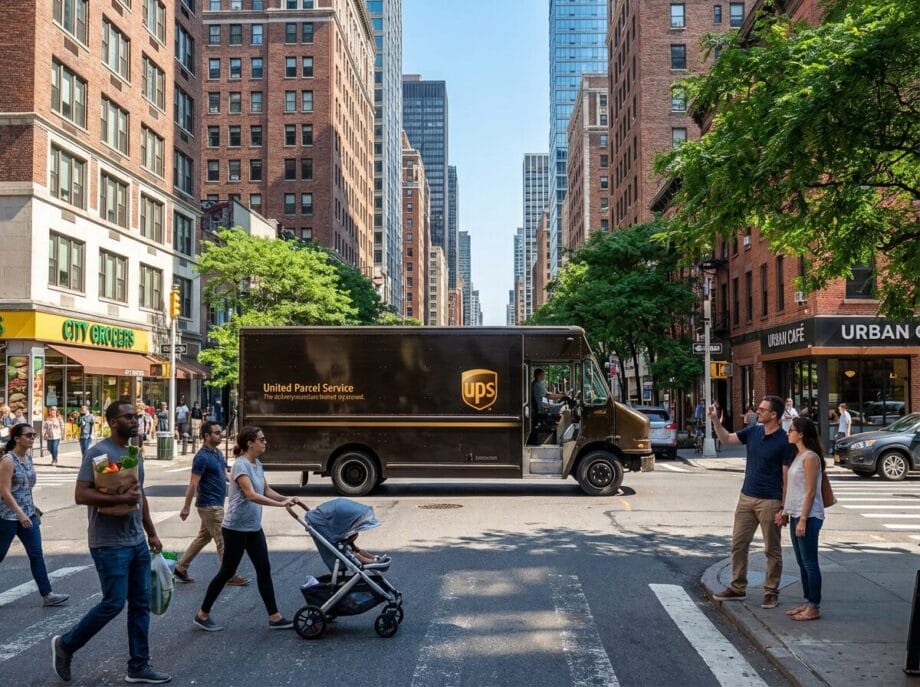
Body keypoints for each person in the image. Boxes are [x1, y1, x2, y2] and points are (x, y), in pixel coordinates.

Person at [52, 400, 171, 684]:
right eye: (128, 417)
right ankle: (66, 645)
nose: (135, 420)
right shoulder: (99, 454)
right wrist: (120, 499)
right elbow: (81, 495)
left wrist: (151, 532)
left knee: (140, 604)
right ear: (112, 422)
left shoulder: (134, 453)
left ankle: (138, 665)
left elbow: (140, 497)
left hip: (137, 542)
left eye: (136, 416)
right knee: (113, 603)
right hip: (108, 543)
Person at [193, 426, 305, 632]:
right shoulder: (241, 466)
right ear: (249, 443)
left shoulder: (257, 464)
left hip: (253, 527)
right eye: (261, 439)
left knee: (264, 569)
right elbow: (251, 494)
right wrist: (281, 505)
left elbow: (266, 490)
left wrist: (287, 498)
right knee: (227, 571)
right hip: (235, 528)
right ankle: (202, 614)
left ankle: (275, 616)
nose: (265, 442)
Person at [710, 395, 796, 609]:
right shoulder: (753, 432)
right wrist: (715, 421)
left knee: (772, 549)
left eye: (762, 409)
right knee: (738, 544)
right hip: (746, 497)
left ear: (773, 414)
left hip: (770, 501)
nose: (758, 411)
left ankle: (771, 591)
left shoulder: (785, 441)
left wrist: (784, 508)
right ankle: (737, 587)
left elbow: (787, 478)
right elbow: (726, 439)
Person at [0, 423, 70, 607]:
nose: (33, 438)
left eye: (34, 435)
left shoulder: (27, 458)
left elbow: (26, 488)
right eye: (29, 435)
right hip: (8, 516)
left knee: (36, 554)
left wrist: (30, 510)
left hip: (29, 514)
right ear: (17, 438)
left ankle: (48, 595)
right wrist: (19, 513)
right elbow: (5, 492)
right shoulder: (8, 460)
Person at [174, 421, 249, 587]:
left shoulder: (218, 454)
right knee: (224, 541)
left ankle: (181, 567)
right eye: (216, 433)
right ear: (206, 436)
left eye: (219, 432)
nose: (219, 435)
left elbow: (225, 475)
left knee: (203, 538)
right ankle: (229, 575)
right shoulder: (201, 457)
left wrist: (242, 485)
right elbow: (193, 484)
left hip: (217, 503)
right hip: (209, 505)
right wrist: (186, 507)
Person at [776, 416, 825, 622]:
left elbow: (811, 491)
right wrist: (785, 511)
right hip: (796, 514)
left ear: (801, 434)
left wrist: (804, 518)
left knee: (810, 562)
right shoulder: (798, 455)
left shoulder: (810, 457)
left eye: (792, 430)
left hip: (809, 516)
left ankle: (814, 606)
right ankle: (807, 602)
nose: (789, 433)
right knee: (801, 562)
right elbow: (792, 490)